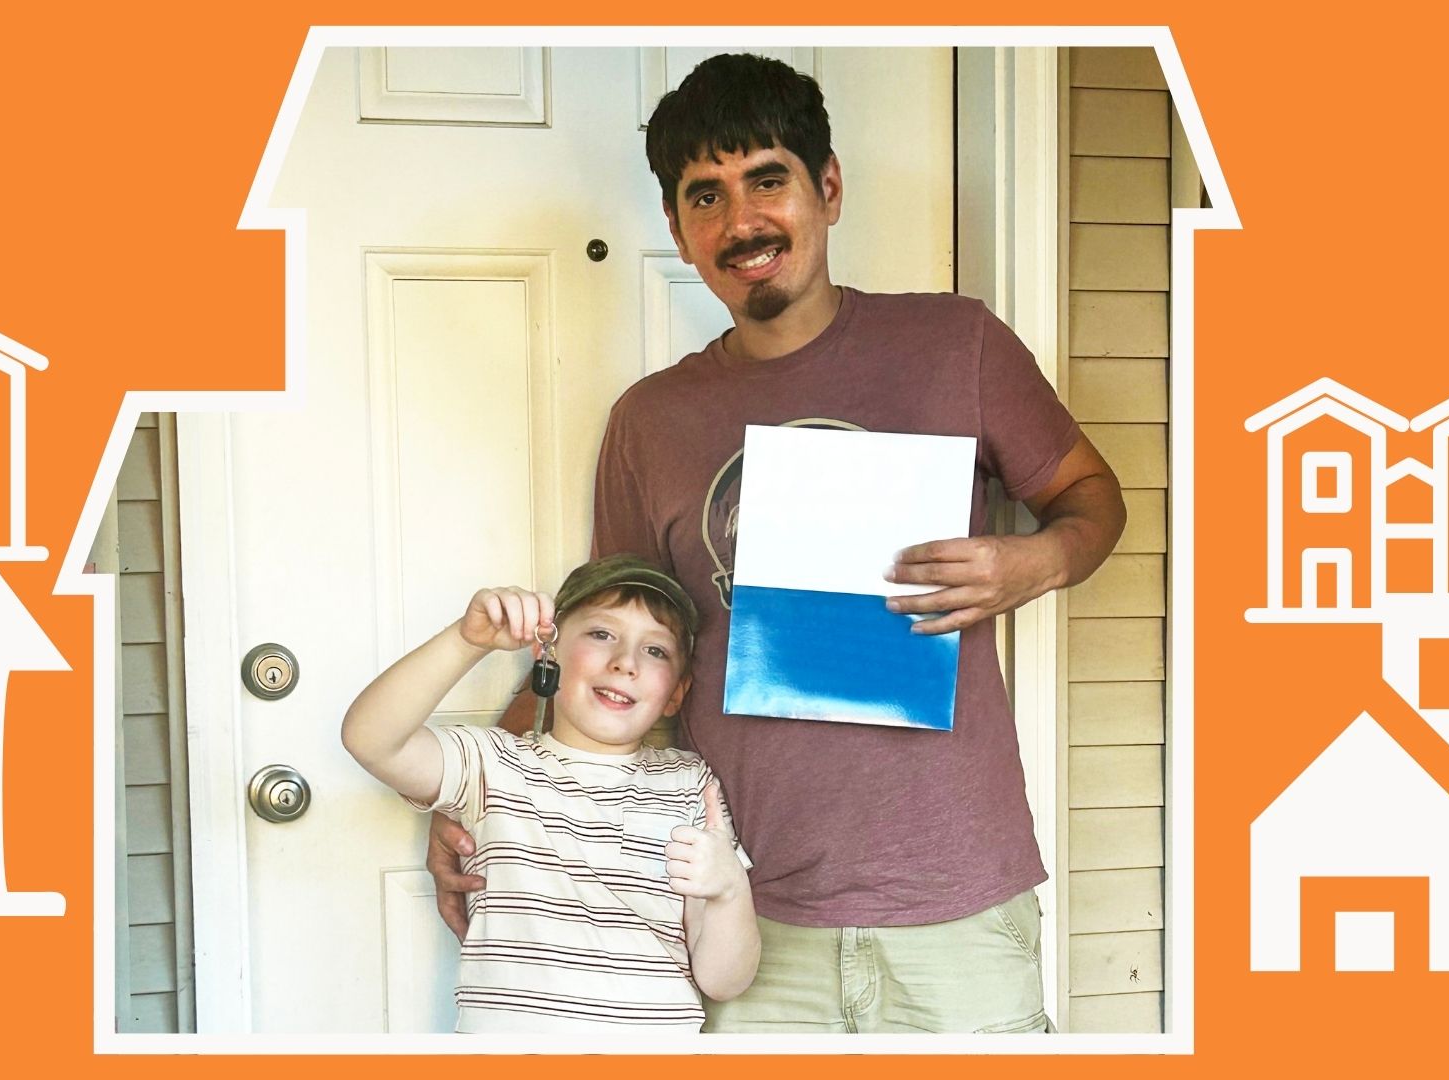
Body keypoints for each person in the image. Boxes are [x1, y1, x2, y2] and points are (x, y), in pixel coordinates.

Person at [429, 53, 1127, 1033]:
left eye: (767, 180)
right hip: (736, 904)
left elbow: (1091, 498)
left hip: (956, 899)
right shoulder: (652, 421)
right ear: (677, 228)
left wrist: (1037, 561)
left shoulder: (955, 346)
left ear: (826, 187)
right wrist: (476, 793)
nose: (740, 221)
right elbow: (601, 646)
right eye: (704, 196)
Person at [343, 555, 759, 1033]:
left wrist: (730, 889)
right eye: (602, 634)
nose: (625, 661)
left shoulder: (689, 783)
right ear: (549, 655)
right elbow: (370, 738)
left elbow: (724, 980)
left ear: (676, 694)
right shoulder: (493, 764)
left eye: (656, 651)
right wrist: (466, 641)